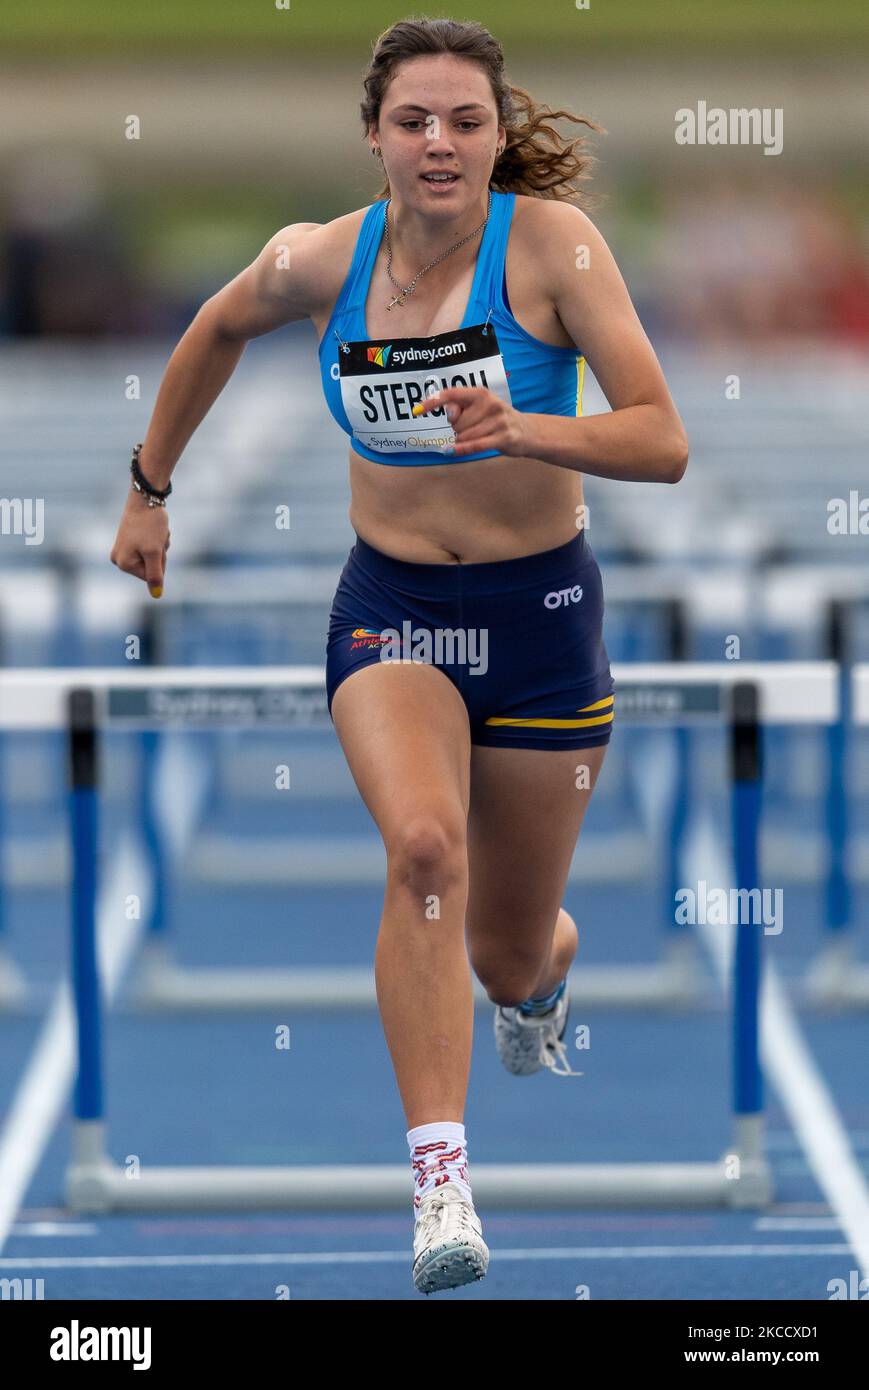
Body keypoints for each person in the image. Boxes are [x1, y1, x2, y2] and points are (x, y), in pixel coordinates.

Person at [110, 16, 688, 1296]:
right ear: (374, 135)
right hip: (393, 615)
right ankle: (440, 1183)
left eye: (465, 122)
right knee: (422, 847)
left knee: (504, 949)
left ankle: (540, 976)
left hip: (542, 622)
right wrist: (149, 489)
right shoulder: (322, 259)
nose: (439, 144)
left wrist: (530, 430)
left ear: (495, 137)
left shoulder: (553, 251)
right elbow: (210, 329)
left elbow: (661, 439)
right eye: (414, 121)